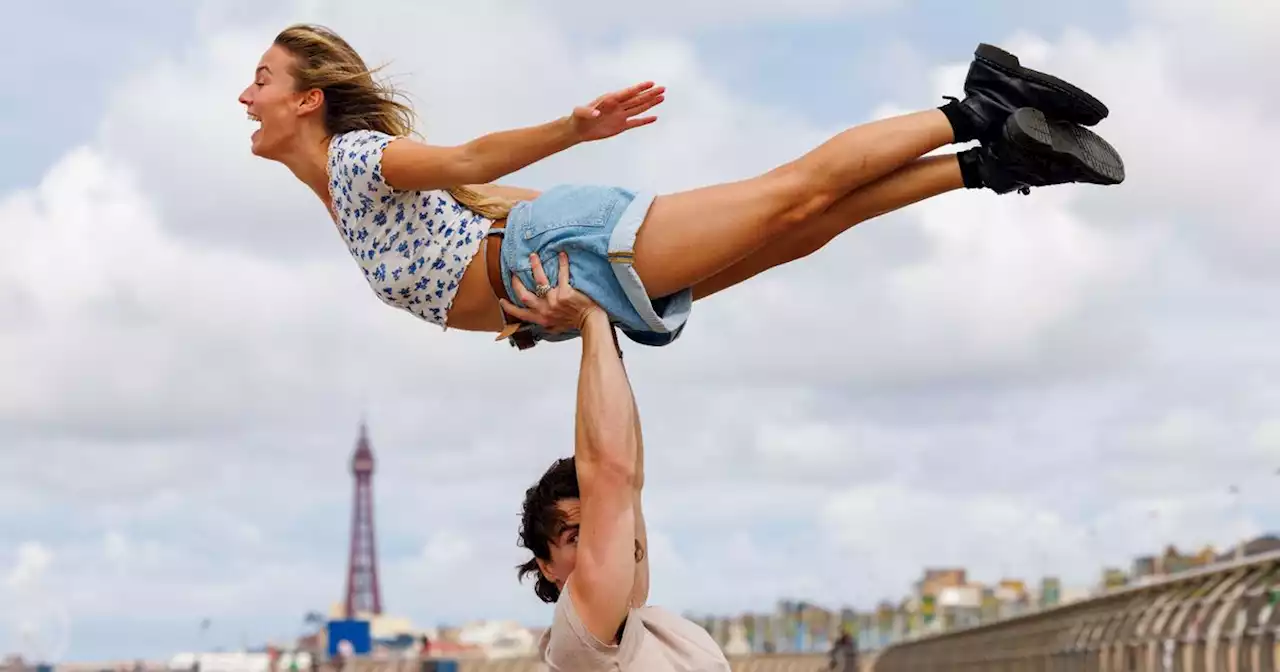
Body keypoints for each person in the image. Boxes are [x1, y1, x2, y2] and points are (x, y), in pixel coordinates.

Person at [240, 24, 1124, 350]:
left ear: (308, 100)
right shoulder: (346, 192)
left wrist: (571, 129)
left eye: (262, 80)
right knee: (799, 230)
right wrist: (522, 322)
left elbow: (471, 163)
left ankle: (977, 109)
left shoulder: (357, 160)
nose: (247, 96)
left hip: (564, 253)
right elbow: (468, 228)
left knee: (792, 194)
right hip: (564, 281)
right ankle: (992, 162)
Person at [513, 258, 730, 670]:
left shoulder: (637, 623)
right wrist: (588, 317)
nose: (602, 538)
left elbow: (626, 476)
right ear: (547, 567)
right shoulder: (582, 638)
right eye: (577, 535)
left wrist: (604, 321)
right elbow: (611, 473)